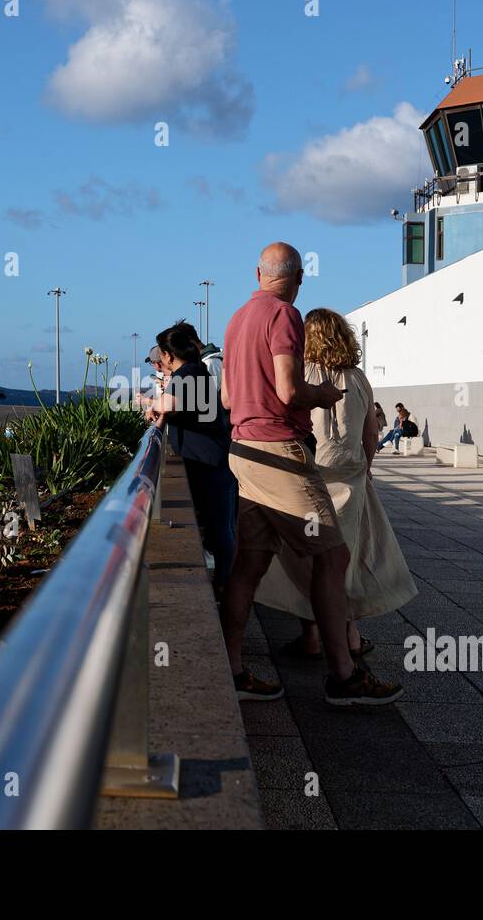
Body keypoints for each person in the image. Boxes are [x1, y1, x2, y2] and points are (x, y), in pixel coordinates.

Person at [221, 241, 403, 706]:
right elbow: (287, 390)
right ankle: (343, 675)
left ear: (256, 274)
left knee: (249, 563)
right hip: (280, 450)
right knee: (333, 557)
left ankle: (232, 668)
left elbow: (225, 400)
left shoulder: (237, 319)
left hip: (242, 449)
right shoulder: (283, 315)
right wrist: (319, 396)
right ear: (299, 278)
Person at [257, 308, 418, 657]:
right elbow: (371, 434)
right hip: (352, 478)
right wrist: (367, 468)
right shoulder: (358, 379)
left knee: (303, 556)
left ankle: (312, 637)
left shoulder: (299, 374)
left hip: (309, 476)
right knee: (346, 556)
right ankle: (351, 636)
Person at [148, 325, 235, 596]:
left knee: (219, 526)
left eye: (162, 355)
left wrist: (153, 405)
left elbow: (171, 405)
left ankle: (226, 584)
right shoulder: (193, 371)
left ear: (168, 355)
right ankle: (225, 581)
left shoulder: (190, 373)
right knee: (218, 525)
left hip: (209, 461)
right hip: (206, 459)